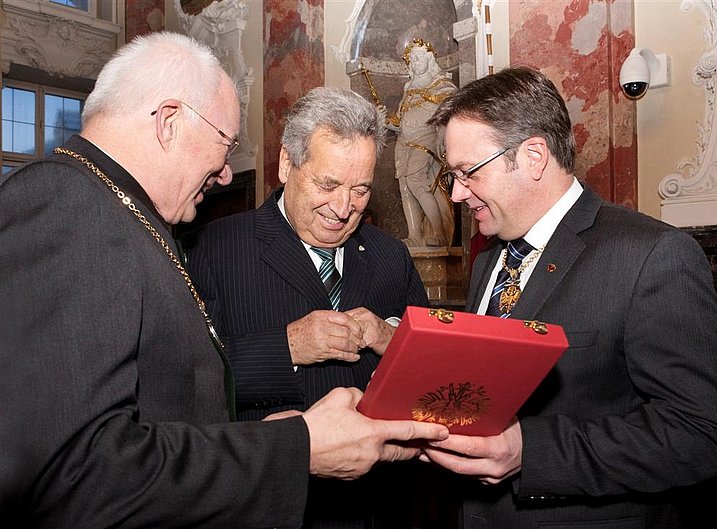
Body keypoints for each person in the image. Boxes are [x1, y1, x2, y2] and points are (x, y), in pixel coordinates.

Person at [0, 31, 449, 528]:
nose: (223, 174)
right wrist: (290, 436)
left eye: (361, 190)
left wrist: (387, 339)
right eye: (225, 143)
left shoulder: (129, 220)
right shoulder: (77, 210)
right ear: (169, 121)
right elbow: (74, 474)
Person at [421, 66, 717, 528]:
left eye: (467, 173)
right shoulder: (490, 258)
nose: (455, 194)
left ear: (533, 156)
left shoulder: (651, 255)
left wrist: (532, 452)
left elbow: (707, 432)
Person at [183, 86, 429, 528]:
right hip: (271, 508)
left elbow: (434, 379)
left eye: (361, 190)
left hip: (382, 507)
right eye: (328, 184)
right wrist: (285, 348)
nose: (343, 208)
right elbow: (182, 384)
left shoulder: (391, 256)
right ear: (286, 165)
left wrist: (394, 339)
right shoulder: (211, 250)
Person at [388, 38, 456, 247]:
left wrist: (441, 137)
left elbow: (449, 113)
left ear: (429, 59)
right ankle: (415, 236)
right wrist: (384, 120)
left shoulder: (441, 84)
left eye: (419, 57)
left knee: (415, 182)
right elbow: (399, 122)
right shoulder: (409, 89)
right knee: (405, 187)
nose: (415, 61)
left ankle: (438, 233)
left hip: (425, 139)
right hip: (404, 142)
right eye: (412, 58)